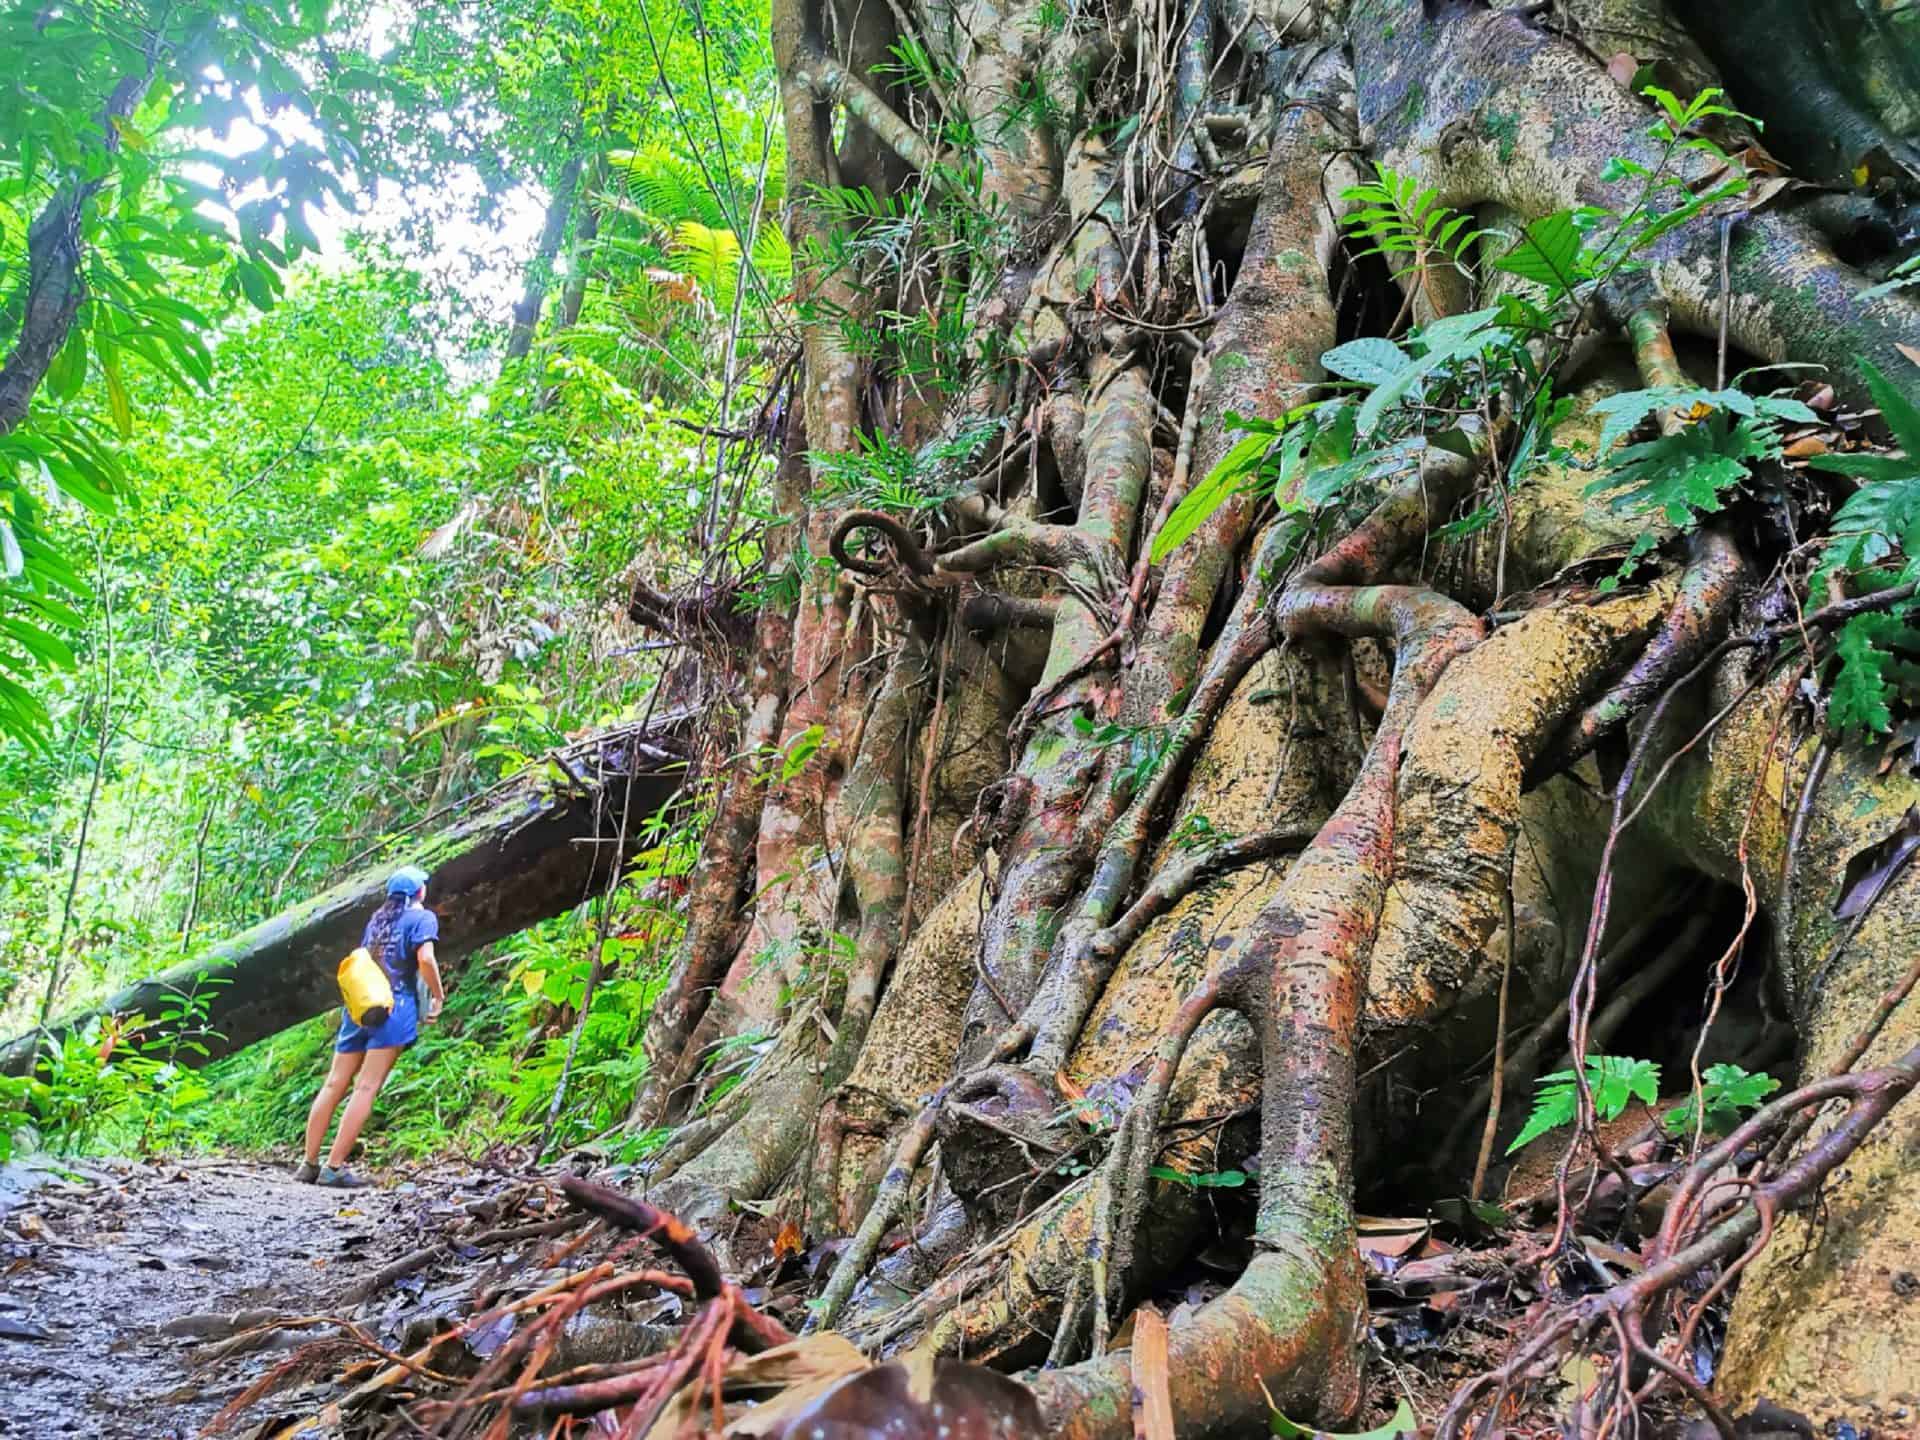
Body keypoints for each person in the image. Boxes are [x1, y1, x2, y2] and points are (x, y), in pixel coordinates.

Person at [295, 866, 445, 1187]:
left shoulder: (376, 921)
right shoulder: (422, 918)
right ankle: (334, 1167)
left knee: (334, 1083)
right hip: (394, 1007)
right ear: (420, 892)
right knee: (366, 1087)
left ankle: (309, 1163)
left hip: (359, 1008)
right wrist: (438, 995)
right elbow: (426, 960)